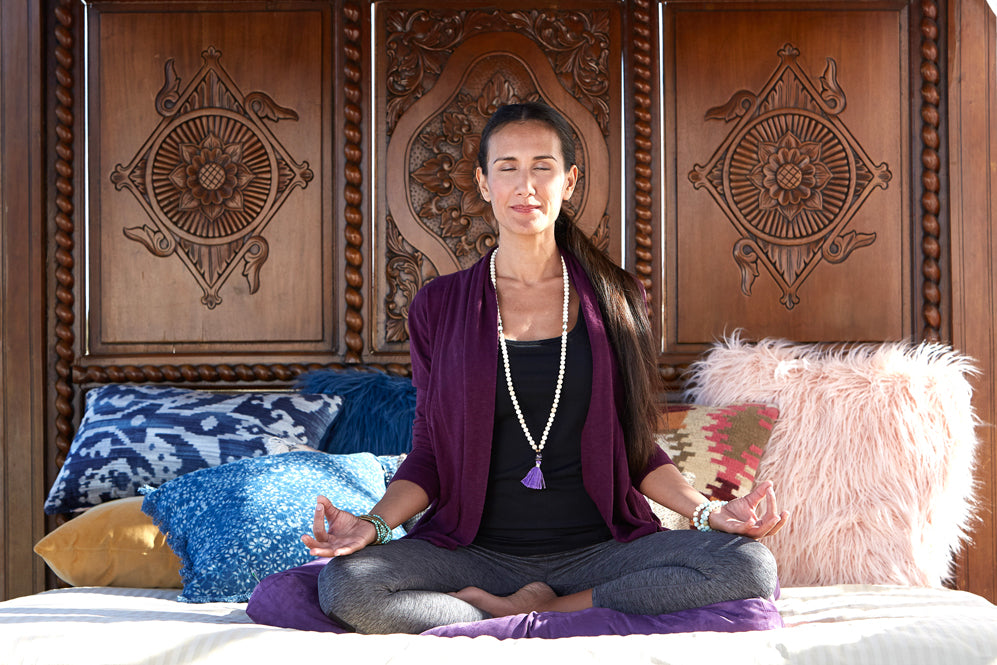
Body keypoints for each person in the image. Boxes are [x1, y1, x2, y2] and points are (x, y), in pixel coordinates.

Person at [303, 101, 788, 635]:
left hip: (599, 550)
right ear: (484, 183)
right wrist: (372, 525)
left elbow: (636, 446)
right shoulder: (438, 306)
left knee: (748, 564)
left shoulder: (618, 298)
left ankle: (541, 610)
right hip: (477, 552)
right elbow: (430, 451)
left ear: (569, 181)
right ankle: (499, 608)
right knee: (348, 585)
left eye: (542, 167)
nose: (525, 185)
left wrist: (707, 513)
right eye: (507, 167)